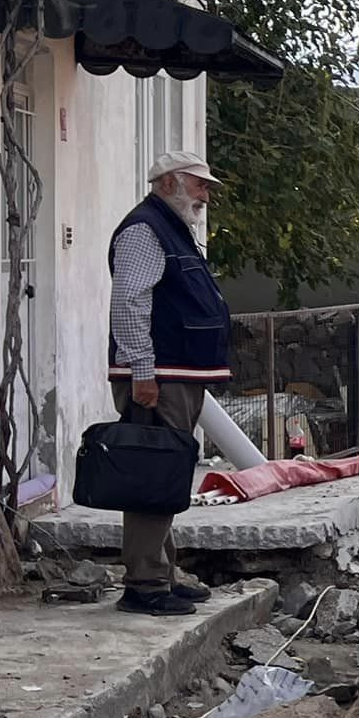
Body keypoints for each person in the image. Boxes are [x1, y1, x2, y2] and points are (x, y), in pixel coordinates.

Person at [107, 150, 231, 616]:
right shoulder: (145, 230)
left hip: (173, 374)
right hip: (158, 375)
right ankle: (144, 583)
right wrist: (142, 371)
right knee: (152, 473)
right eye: (199, 185)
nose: (206, 194)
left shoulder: (170, 228)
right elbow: (130, 302)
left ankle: (161, 572)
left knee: (167, 471)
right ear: (167, 184)